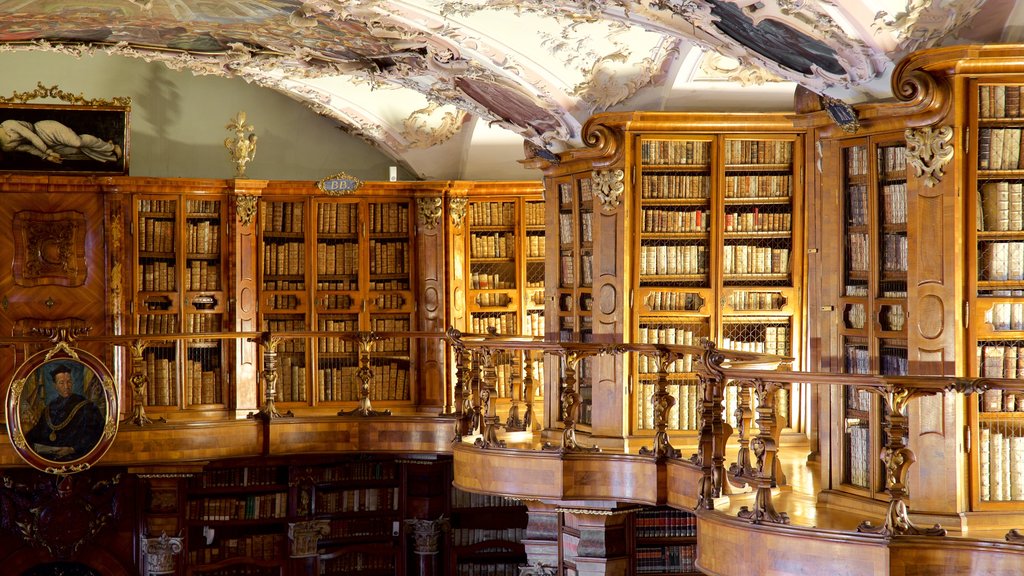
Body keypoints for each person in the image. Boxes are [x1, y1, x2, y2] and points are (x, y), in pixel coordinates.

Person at [25, 364, 104, 461]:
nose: (66, 386)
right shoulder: (48, 409)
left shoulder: (86, 407)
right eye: (61, 383)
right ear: (55, 386)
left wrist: (72, 449)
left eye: (69, 382)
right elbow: (38, 432)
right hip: (49, 459)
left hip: (77, 458)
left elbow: (95, 434)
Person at [0, 118, 122, 164]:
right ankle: (108, 152)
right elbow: (29, 149)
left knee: (76, 142)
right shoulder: (5, 147)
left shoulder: (8, 124)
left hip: (44, 130)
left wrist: (48, 151)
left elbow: (32, 137)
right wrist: (47, 157)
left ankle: (111, 147)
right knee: (76, 152)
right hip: (44, 145)